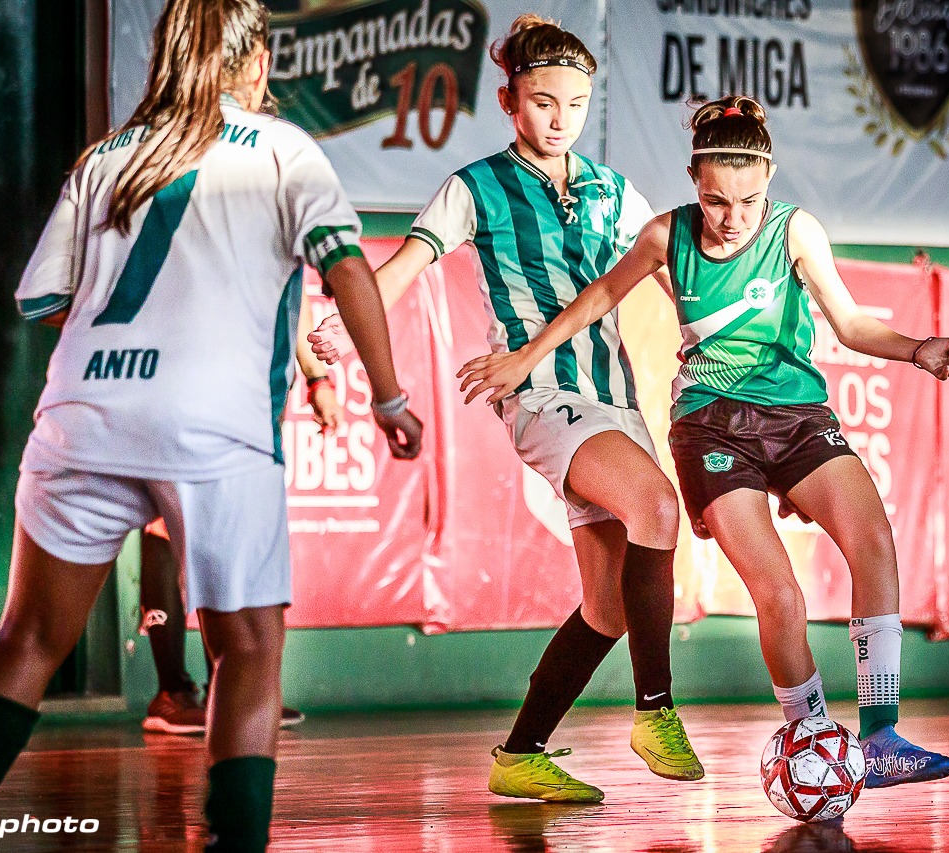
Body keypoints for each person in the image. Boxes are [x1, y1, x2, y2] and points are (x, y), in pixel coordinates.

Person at [0, 1, 422, 851]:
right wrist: (390, 393)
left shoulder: (107, 157)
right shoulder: (284, 149)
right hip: (210, 424)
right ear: (255, 61)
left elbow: (44, 301)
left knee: (30, 634)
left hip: (83, 413)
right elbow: (346, 267)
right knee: (249, 646)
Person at [456, 94, 949, 790]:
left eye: (747, 201)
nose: (731, 218)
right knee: (780, 591)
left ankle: (880, 737)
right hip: (710, 424)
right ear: (695, 180)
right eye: (715, 200)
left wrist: (921, 350)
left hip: (796, 416)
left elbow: (850, 325)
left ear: (770, 180)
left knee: (874, 541)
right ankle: (815, 735)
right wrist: (524, 358)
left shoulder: (795, 232)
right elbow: (593, 301)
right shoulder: (666, 235)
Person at [310, 14, 702, 804]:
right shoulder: (476, 186)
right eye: (544, 101)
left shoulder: (612, 189)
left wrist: (724, 340)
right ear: (508, 101)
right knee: (659, 507)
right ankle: (655, 710)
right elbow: (405, 266)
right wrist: (347, 327)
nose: (561, 119)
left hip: (612, 400)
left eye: (577, 103)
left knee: (606, 606)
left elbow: (675, 279)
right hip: (540, 395)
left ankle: (520, 753)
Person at [140, 313, 341, 735]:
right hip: (188, 378)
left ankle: (227, 687)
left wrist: (316, 378)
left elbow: (293, 297)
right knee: (166, 524)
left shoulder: (281, 252)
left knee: (233, 525)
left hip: (256, 389)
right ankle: (171, 692)